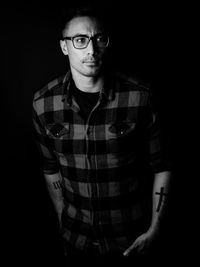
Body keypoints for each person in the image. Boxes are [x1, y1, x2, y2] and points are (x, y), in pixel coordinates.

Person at [32, 3, 172, 266]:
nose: (91, 50)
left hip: (131, 240)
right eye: (80, 40)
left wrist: (155, 229)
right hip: (76, 242)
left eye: (98, 39)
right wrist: (64, 222)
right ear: (65, 47)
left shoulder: (140, 96)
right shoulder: (43, 104)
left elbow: (162, 165)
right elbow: (50, 169)